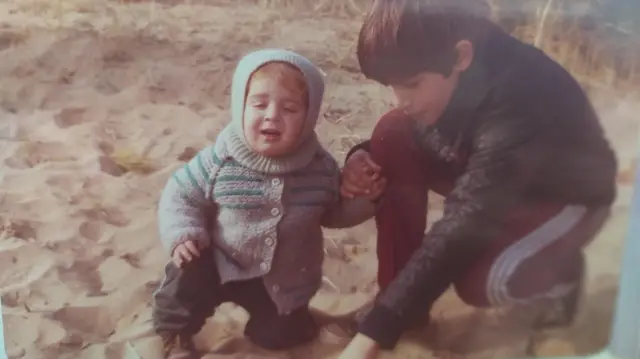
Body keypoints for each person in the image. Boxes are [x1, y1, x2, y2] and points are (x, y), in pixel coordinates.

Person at [335, 0, 618, 358]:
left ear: (460, 57)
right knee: (391, 131)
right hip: (497, 178)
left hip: (562, 196)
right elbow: (442, 136)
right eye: (391, 85)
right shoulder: (453, 62)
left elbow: (465, 220)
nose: (400, 99)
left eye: (411, 83)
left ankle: (562, 275)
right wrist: (363, 154)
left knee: (480, 282)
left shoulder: (522, 95)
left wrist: (371, 336)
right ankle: (407, 310)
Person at [151, 48, 383, 359]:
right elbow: (181, 193)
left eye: (289, 108)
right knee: (186, 271)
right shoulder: (220, 160)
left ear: (309, 116)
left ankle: (293, 321)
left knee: (280, 337)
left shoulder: (320, 167)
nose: (272, 115)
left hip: (281, 280)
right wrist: (183, 231)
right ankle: (173, 334)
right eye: (259, 104)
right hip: (220, 261)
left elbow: (333, 212)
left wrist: (368, 200)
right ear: (240, 107)